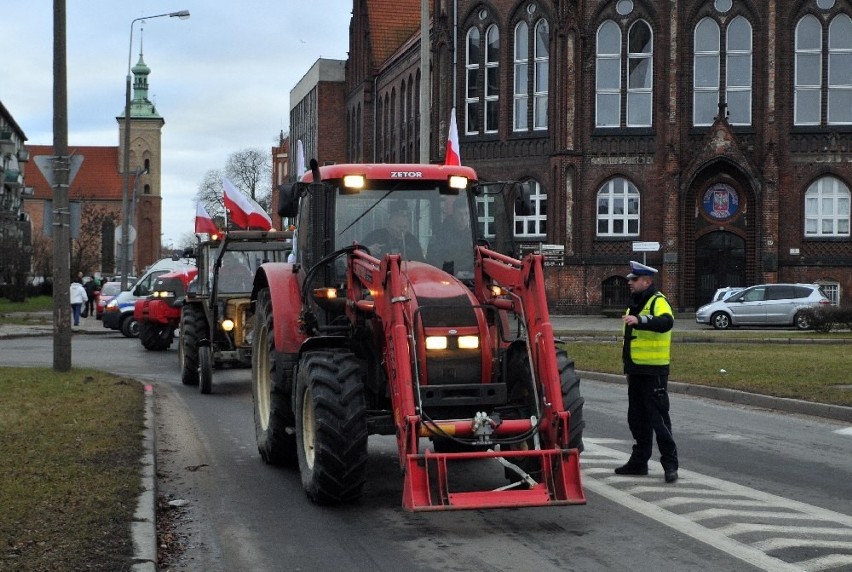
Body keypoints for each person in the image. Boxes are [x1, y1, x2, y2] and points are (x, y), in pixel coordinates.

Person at [616, 260, 679, 483]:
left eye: (634, 280)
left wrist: (641, 320)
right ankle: (639, 462)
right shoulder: (634, 304)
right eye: (630, 280)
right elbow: (629, 341)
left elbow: (666, 322)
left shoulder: (657, 301)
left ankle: (670, 465)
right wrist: (628, 369)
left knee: (658, 420)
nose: (630, 283)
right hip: (637, 372)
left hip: (654, 373)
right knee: (637, 419)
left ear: (647, 281)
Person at [427, 198, 474, 277]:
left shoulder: (473, 235)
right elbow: (434, 259)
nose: (463, 218)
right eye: (460, 214)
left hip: (472, 279)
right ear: (454, 214)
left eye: (466, 214)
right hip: (447, 278)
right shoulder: (441, 235)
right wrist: (454, 272)